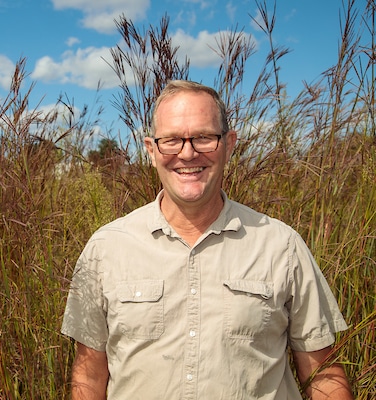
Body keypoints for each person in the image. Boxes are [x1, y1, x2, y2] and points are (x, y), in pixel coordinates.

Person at [61, 80, 353, 399]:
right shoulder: (106, 248)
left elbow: (323, 373)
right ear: (151, 150)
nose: (187, 153)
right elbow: (89, 375)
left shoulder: (281, 246)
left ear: (229, 143)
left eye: (203, 137)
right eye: (171, 140)